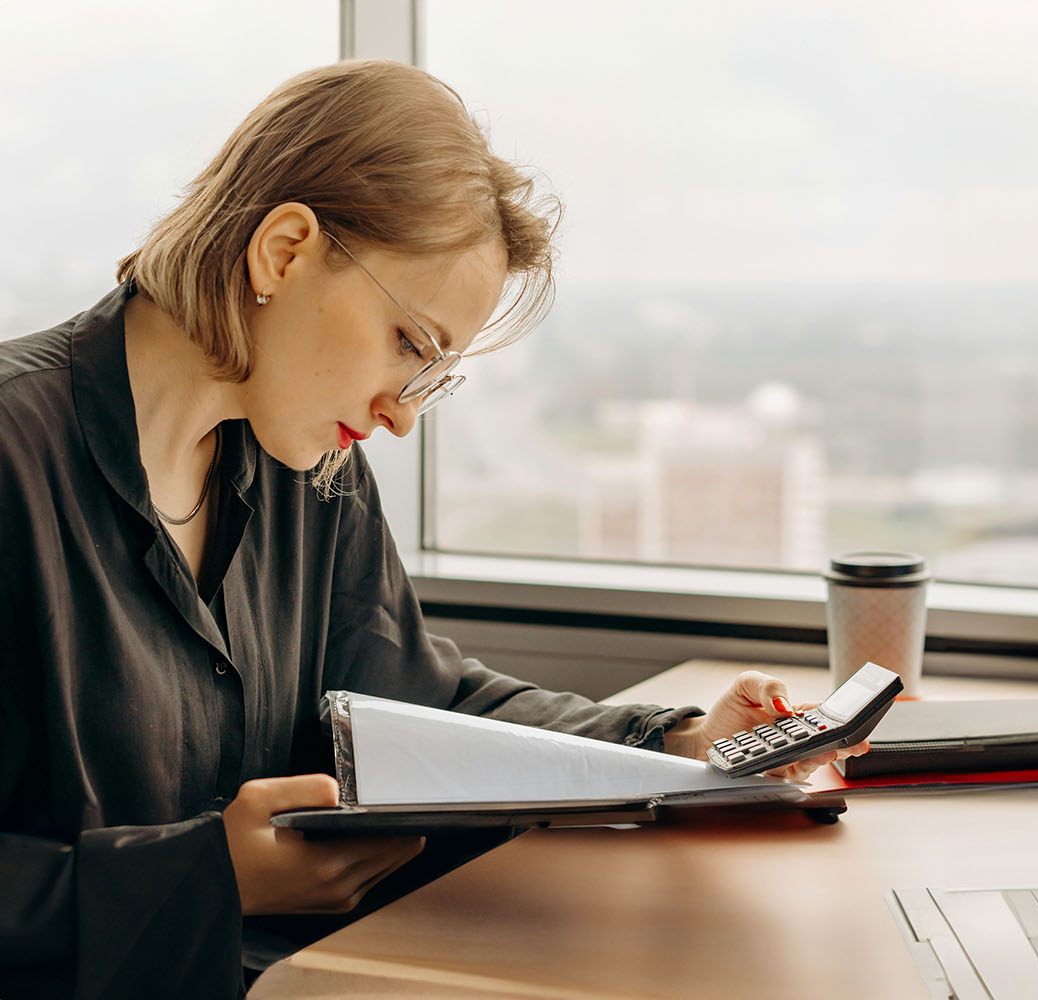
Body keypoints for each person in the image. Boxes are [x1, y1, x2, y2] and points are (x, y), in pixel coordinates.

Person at [0, 59, 867, 1000]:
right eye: (409, 343)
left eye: (431, 372)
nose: (403, 412)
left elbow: (417, 699)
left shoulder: (312, 474)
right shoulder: (14, 457)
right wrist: (204, 877)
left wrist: (677, 747)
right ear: (283, 251)